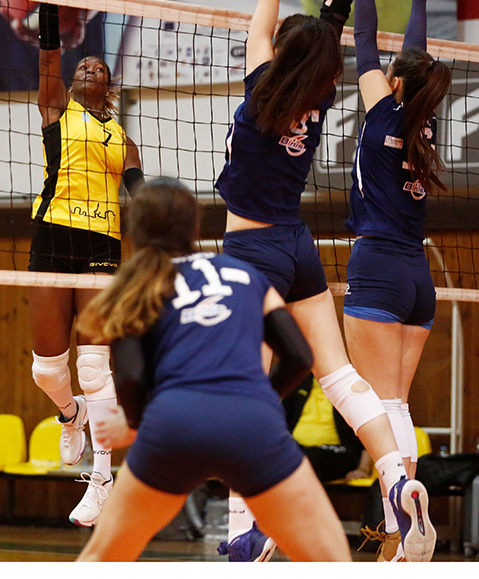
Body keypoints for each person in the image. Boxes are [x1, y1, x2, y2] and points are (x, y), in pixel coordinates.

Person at [213, 0, 434, 562]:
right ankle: (397, 481)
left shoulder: (261, 88)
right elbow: (328, 25)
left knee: (243, 390)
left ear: (281, 50)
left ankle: (244, 528)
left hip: (249, 251)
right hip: (298, 247)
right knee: (338, 375)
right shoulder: (319, 95)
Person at [73, 178, 350, 562]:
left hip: (174, 426)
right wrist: (257, 402)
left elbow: (131, 377)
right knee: (332, 562)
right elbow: (301, 357)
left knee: (102, 558)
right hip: (252, 426)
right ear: (196, 227)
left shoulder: (134, 286)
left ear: (134, 231)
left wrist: (134, 424)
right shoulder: (245, 274)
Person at [27, 0, 144, 528]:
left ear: (109, 86)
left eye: (98, 65)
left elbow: (142, 199)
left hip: (102, 245)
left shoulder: (123, 139)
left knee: (96, 368)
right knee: (47, 370)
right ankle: (68, 414)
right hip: (52, 237)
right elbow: (49, 47)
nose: (89, 65)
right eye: (83, 64)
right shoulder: (56, 108)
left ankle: (101, 478)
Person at [340, 0, 451, 561]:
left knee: (377, 405)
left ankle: (400, 514)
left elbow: (362, 40)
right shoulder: (423, 121)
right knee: (396, 403)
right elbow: (417, 59)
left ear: (395, 81)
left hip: (378, 266)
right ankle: (401, 526)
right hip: (417, 276)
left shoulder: (384, 110)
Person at [283, 373, 371, 484]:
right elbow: (281, 420)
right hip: (299, 448)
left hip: (337, 451)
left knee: (304, 463)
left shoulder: (351, 385)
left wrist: (363, 468)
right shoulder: (300, 381)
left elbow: (369, 431)